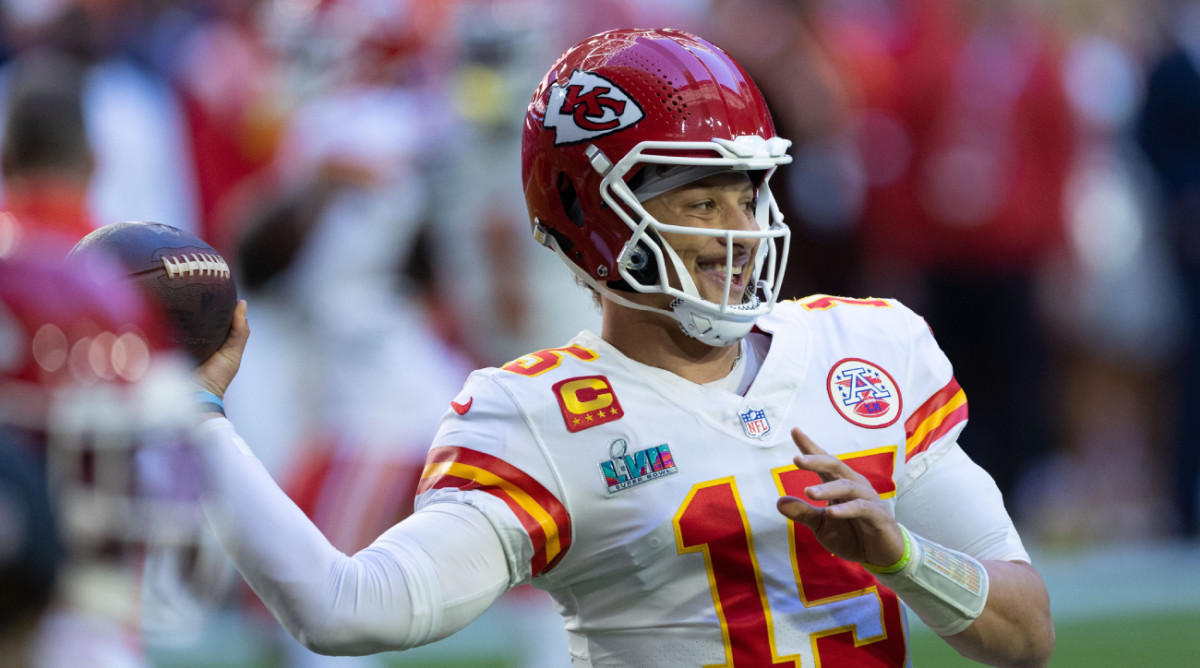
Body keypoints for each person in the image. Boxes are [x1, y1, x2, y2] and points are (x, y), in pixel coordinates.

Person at [194, 28, 1055, 667]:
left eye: (746, 192)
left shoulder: (869, 348)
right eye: (699, 201)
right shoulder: (530, 417)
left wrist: (902, 558)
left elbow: (1025, 633)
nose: (737, 234)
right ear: (594, 220)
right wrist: (190, 419)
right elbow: (350, 610)